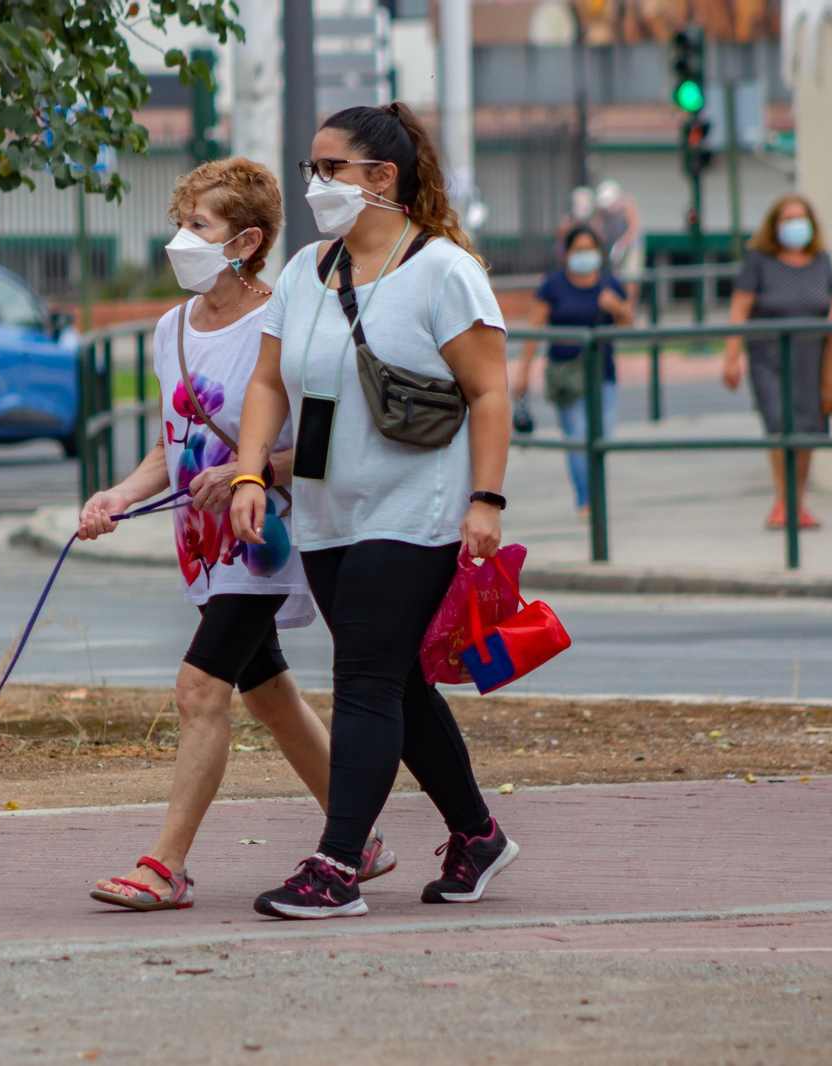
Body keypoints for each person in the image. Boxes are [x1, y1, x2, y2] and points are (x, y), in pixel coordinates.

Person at [79, 157, 395, 912]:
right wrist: (116, 498)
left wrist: (257, 473)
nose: (181, 241)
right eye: (179, 225)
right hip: (200, 545)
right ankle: (359, 840)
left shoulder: (284, 320)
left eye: (199, 227)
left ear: (245, 240)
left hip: (263, 540)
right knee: (269, 693)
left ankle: (166, 866)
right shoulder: (169, 329)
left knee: (199, 690)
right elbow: (172, 446)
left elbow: (327, 438)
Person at [231, 102, 516, 920]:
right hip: (328, 511)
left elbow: (490, 393)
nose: (316, 184)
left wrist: (485, 501)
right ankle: (478, 834)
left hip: (416, 508)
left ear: (382, 178)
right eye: (310, 170)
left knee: (361, 679)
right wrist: (252, 475)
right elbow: (265, 383)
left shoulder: (443, 270)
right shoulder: (307, 271)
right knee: (396, 682)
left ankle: (337, 864)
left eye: (330, 170)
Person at [721, 194, 832, 530]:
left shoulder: (821, 260)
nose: (795, 225)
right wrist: (731, 358)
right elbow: (739, 309)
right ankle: (783, 502)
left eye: (801, 218)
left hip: (812, 358)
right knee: (779, 426)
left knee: (806, 430)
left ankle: (797, 502)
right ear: (775, 225)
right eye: (788, 219)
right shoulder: (758, 260)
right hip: (768, 357)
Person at [513, 225, 633, 513]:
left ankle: (595, 496)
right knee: (577, 438)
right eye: (578, 250)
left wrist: (616, 307)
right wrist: (523, 373)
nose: (584, 255)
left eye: (589, 249)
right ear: (566, 253)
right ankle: (587, 500)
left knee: (601, 438)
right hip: (565, 374)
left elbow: (630, 322)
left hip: (603, 374)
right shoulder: (553, 285)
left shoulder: (609, 282)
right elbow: (534, 329)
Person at [593, 180, 644, 302]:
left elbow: (634, 228)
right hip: (611, 246)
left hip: (631, 246)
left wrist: (621, 245)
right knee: (614, 276)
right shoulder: (600, 209)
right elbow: (596, 225)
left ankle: (630, 305)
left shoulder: (627, 204)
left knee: (631, 276)